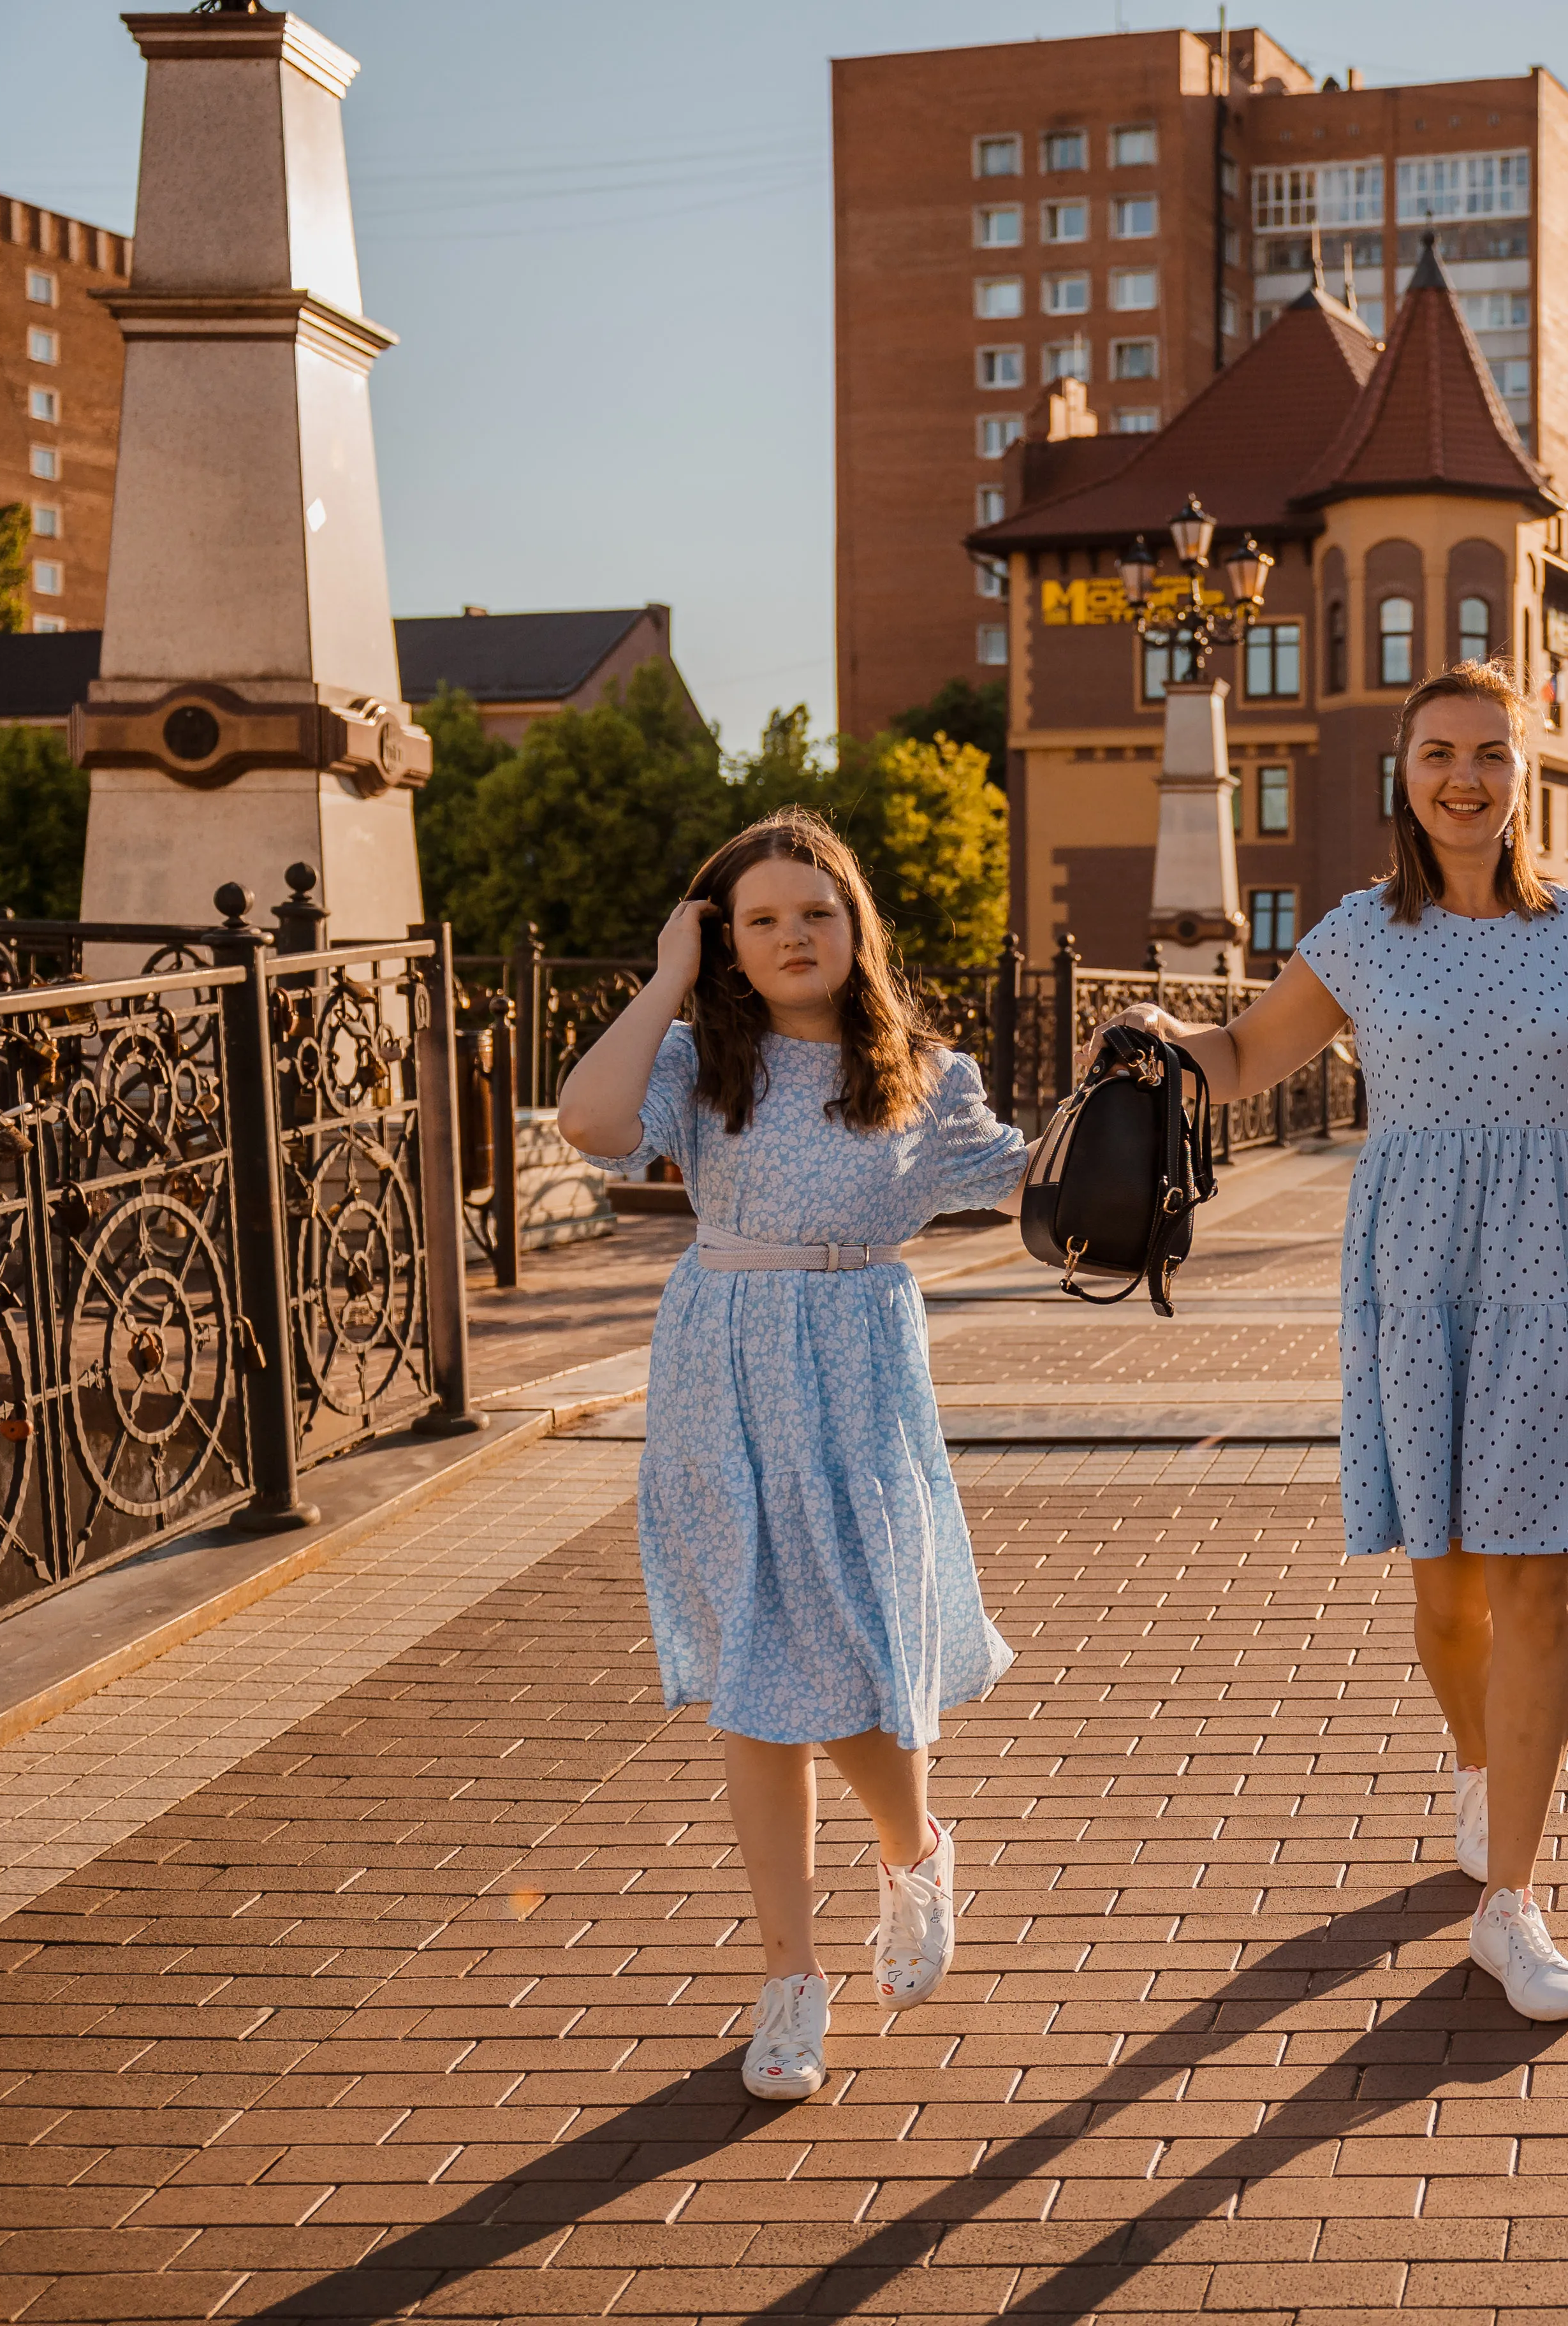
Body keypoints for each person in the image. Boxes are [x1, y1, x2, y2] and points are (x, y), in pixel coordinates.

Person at [1085, 659, 1568, 2022]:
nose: (1464, 778)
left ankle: (1513, 1901)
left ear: (1525, 775)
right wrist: (1169, 1036)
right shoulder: (1360, 935)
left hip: (1558, 1255)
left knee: (1543, 1587)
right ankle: (1480, 1764)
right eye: (1438, 757)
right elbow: (1242, 1061)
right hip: (1415, 1267)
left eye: (1489, 753)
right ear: (1403, 780)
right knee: (1448, 1592)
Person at [555, 808, 1032, 2099]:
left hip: (864, 1377)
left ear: (854, 924)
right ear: (728, 941)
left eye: (814, 912)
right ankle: (790, 1981)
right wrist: (663, 979)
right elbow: (587, 1126)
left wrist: (1133, 1109)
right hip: (721, 1375)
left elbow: (1039, 1196)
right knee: (758, 1679)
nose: (791, 936)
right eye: (758, 919)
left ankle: (914, 1846)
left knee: (869, 1658)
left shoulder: (929, 1079)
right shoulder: (704, 1061)